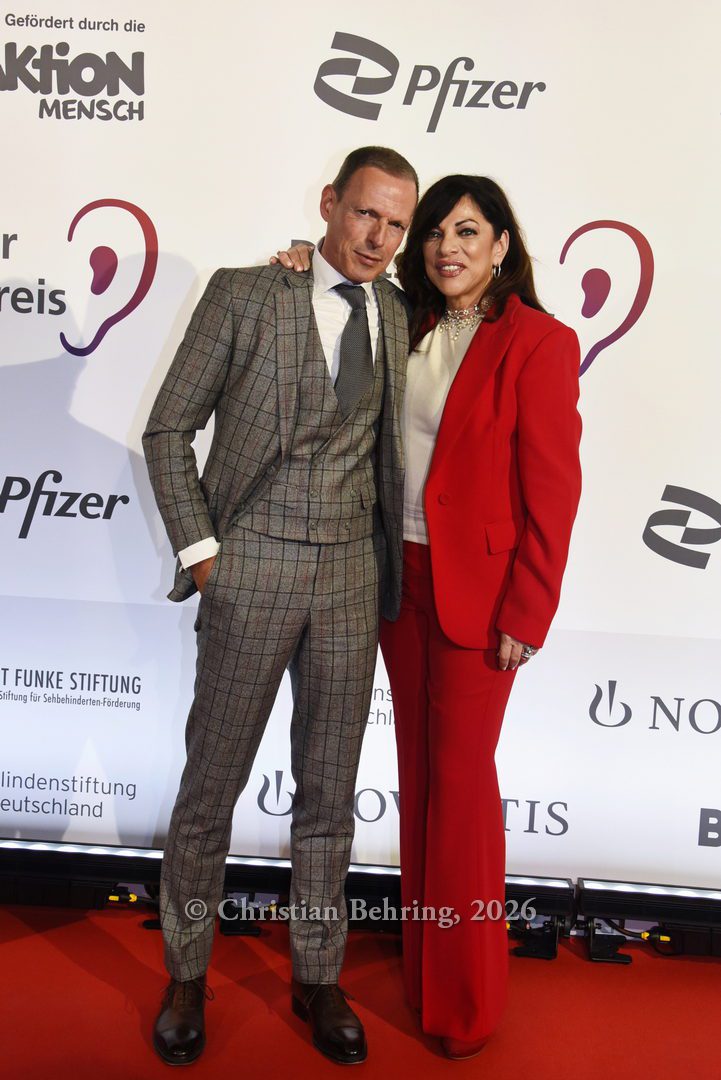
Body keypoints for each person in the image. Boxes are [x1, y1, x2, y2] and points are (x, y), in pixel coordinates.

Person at [274, 174, 582, 1060]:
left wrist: (528, 608)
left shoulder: (539, 341)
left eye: (468, 231)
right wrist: (299, 265)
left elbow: (553, 489)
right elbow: (332, 307)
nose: (448, 247)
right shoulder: (398, 318)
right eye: (437, 232)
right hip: (394, 582)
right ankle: (426, 971)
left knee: (461, 788)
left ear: (501, 245)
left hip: (481, 599)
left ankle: (465, 1000)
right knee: (418, 780)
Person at [142, 146, 418, 1066]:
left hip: (351, 576)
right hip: (250, 563)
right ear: (330, 204)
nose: (378, 238)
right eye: (365, 214)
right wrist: (204, 555)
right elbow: (168, 428)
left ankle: (318, 976)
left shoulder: (396, 310)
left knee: (329, 794)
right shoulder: (245, 293)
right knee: (210, 787)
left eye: (396, 224)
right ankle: (187, 973)